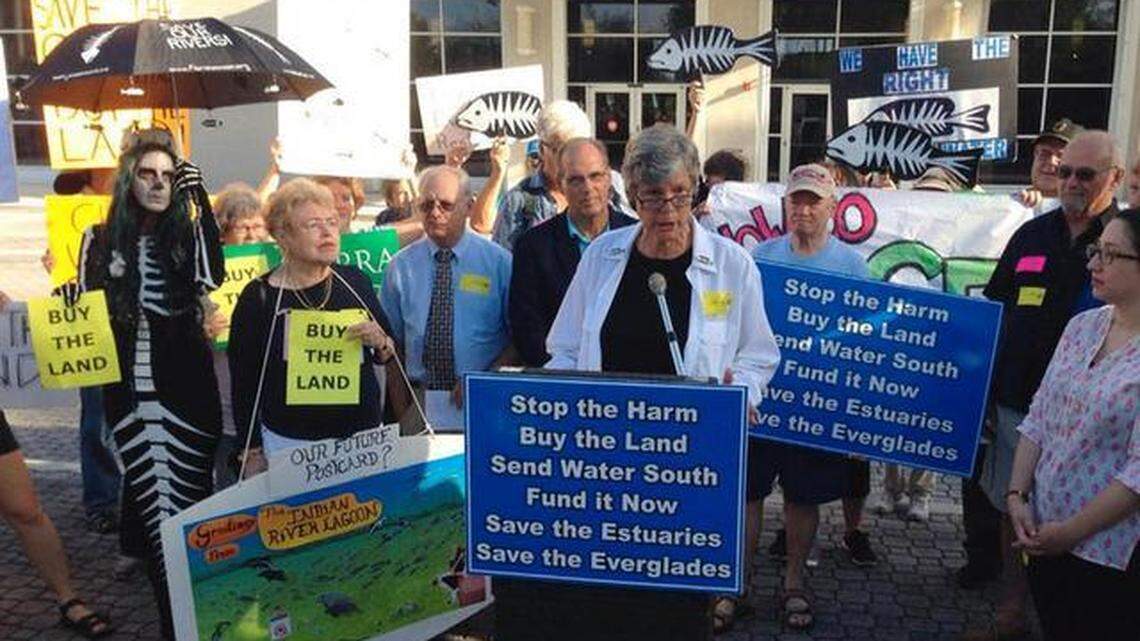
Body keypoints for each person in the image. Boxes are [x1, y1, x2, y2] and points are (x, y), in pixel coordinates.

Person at [544, 124, 779, 638]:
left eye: (680, 195)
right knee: (611, 593)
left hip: (689, 464)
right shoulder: (602, 256)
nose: (668, 211)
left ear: (696, 189)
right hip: (606, 456)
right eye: (652, 198)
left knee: (677, 604)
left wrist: (744, 394)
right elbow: (563, 348)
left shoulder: (732, 266)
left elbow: (759, 356)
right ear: (631, 195)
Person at [963, 130, 1124, 641]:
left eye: (1086, 174)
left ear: (1114, 178)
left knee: (1088, 525)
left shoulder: (1123, 239)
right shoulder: (1032, 236)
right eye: (1065, 172)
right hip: (1022, 406)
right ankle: (1012, 615)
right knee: (1018, 511)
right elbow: (994, 311)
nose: (1071, 182)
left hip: (1103, 419)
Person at [71, 130, 224, 639]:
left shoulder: (185, 235)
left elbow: (212, 277)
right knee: (157, 522)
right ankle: (171, 626)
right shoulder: (99, 237)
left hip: (188, 395)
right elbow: (85, 307)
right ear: (128, 180)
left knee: (193, 509)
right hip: (129, 400)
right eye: (148, 174)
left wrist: (196, 198)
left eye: (167, 175)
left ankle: (199, 621)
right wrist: (69, 296)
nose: (159, 184)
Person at [752, 164, 877, 630]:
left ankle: (793, 584)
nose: (803, 209)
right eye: (796, 200)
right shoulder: (761, 256)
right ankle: (738, 586)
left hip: (815, 407)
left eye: (813, 201)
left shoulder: (852, 266)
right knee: (749, 495)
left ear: (833, 208)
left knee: (803, 499)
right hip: (764, 401)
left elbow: (864, 339)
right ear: (785, 204)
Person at [1005, 208, 1140, 640]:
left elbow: (1138, 475)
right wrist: (1017, 495)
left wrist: (1070, 534)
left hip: (1110, 554)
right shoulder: (1083, 326)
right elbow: (1041, 414)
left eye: (1111, 255)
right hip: (1044, 533)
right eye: (1095, 250)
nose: (1093, 264)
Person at [229, 178, 395, 473]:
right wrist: (251, 449)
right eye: (313, 225)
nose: (327, 232)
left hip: (361, 443)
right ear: (283, 236)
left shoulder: (355, 281)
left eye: (331, 222)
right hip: (290, 445)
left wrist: (380, 341)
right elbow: (244, 382)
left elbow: (388, 351)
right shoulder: (259, 297)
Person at [381, 165, 513, 432]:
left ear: (469, 205)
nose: (435, 213)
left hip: (482, 399)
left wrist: (483, 382)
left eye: (446, 205)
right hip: (419, 402)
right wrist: (402, 408)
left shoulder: (499, 263)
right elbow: (390, 345)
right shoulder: (400, 267)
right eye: (426, 205)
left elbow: (518, 340)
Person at [509, 138, 635, 367]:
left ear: (609, 178)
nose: (588, 188)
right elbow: (527, 327)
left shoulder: (636, 237)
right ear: (561, 184)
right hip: (560, 384)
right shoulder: (533, 247)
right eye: (576, 180)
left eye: (595, 176)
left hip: (624, 382)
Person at [492, 100, 631, 251]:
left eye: (577, 148)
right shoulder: (518, 201)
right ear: (541, 149)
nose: (570, 158)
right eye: (560, 149)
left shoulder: (612, 184)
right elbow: (503, 266)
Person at [1014, 118, 1083, 212]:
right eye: (1044, 153)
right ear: (1035, 155)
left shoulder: (1087, 215)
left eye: (1062, 156)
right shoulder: (1011, 207)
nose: (1051, 161)